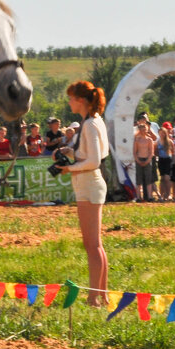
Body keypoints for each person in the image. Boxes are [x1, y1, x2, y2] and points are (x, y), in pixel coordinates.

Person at [57, 80, 109, 307]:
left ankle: (94, 297)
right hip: (88, 183)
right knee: (95, 244)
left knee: (92, 245)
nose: (69, 102)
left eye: (71, 98)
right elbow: (90, 155)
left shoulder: (88, 125)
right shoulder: (92, 121)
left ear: (81, 100)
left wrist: (70, 167)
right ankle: (101, 295)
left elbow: (94, 161)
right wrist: (70, 152)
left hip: (89, 183)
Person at [133, 123, 155, 202]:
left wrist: (148, 160)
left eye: (144, 129)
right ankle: (138, 197)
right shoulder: (137, 140)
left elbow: (151, 152)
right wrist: (138, 160)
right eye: (141, 129)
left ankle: (149, 196)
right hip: (139, 159)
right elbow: (135, 152)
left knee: (148, 178)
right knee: (139, 179)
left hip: (147, 159)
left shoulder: (149, 140)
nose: (143, 131)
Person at [155, 125, 175, 201]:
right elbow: (156, 151)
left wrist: (172, 159)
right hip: (161, 160)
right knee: (162, 178)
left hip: (168, 160)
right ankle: (162, 195)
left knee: (167, 178)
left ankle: (168, 194)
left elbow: (173, 151)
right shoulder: (158, 142)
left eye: (163, 133)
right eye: (160, 133)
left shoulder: (169, 141)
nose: (162, 134)